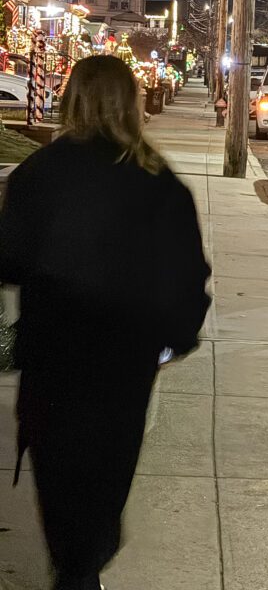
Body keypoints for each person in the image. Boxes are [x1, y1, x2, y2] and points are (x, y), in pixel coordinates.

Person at [0, 55, 211, 590]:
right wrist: (174, 338)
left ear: (72, 101)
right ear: (132, 105)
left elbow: (8, 260)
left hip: (54, 351)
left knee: (59, 467)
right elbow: (187, 274)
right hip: (124, 357)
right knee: (108, 466)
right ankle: (86, 559)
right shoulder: (158, 183)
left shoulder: (39, 175)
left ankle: (76, 565)